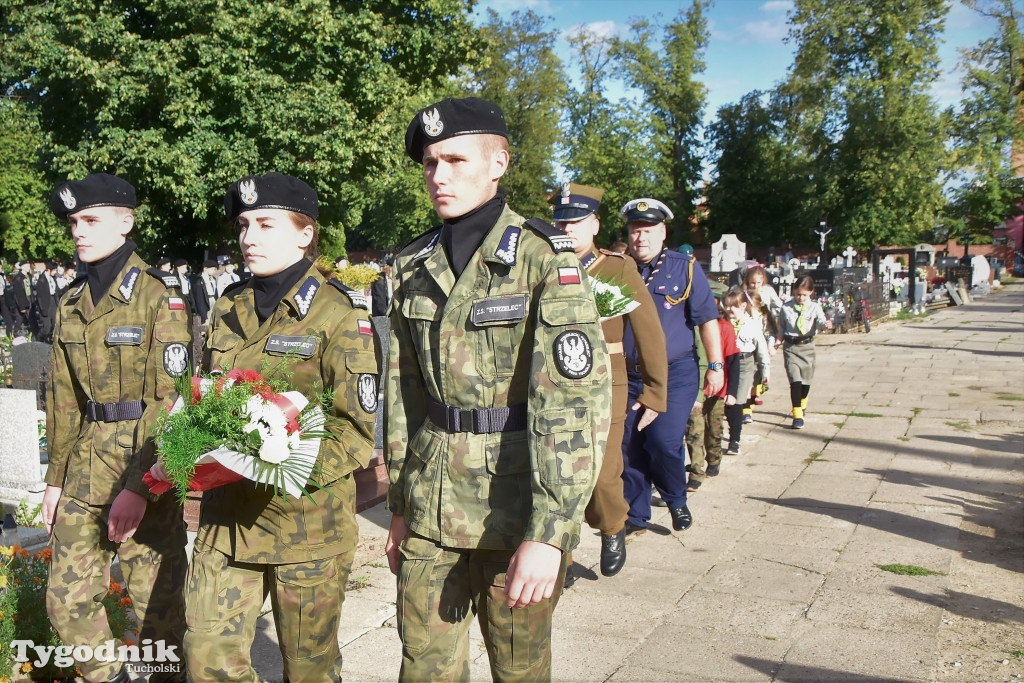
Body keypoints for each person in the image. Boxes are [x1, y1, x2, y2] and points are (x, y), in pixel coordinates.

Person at [385, 97, 612, 681]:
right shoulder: (412, 264)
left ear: (498, 163)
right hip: (431, 501)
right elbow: (404, 394)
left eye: (456, 160)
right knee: (423, 667)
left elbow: (572, 405)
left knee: (519, 668)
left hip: (513, 508)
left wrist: (551, 533)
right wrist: (399, 508)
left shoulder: (543, 260)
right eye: (431, 163)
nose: (439, 176)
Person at [157, 172, 379, 682]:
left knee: (310, 671)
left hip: (304, 528)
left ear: (305, 233)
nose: (249, 237)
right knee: (207, 656)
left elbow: (354, 431)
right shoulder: (228, 306)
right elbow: (209, 395)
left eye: (265, 223)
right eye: (243, 224)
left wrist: (272, 462)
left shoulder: (339, 313)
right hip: (225, 526)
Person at [42, 172, 191, 683]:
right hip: (85, 463)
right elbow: (63, 400)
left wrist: (140, 486)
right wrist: (54, 480)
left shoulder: (158, 298)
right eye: (74, 223)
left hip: (143, 460)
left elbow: (170, 399)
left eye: (90, 219)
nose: (78, 231)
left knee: (158, 613)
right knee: (65, 602)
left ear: (125, 223)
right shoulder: (70, 302)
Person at [549, 182, 667, 579]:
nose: (568, 229)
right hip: (554, 385)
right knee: (557, 472)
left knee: (602, 472)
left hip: (606, 384)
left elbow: (648, 330)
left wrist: (654, 390)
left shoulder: (616, 268)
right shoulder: (545, 266)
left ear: (595, 225)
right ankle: (559, 554)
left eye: (577, 222)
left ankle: (613, 525)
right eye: (562, 221)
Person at [620, 198, 723, 534]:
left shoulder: (686, 268)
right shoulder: (618, 269)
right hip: (630, 375)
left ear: (662, 232)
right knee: (630, 444)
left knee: (663, 441)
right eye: (635, 231)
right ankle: (636, 513)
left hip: (675, 373)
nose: (641, 238)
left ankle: (676, 498)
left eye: (648, 231)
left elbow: (707, 320)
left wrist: (716, 364)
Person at [685, 283, 736, 490]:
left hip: (716, 385)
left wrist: (731, 390)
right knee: (694, 430)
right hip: (694, 384)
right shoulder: (688, 325)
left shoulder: (723, 327)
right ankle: (697, 471)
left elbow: (732, 361)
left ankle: (714, 458)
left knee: (713, 428)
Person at [777, 275, 833, 429]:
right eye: (798, 294)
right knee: (795, 381)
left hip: (807, 347)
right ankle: (797, 415)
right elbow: (781, 328)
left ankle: (803, 403)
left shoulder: (814, 307)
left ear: (811, 293)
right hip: (791, 347)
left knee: (806, 382)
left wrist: (825, 325)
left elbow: (821, 321)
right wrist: (775, 343)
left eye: (804, 295)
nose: (801, 298)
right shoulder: (786, 307)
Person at [720, 286, 768, 454]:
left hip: (744, 363)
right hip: (725, 362)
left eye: (732, 306)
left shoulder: (752, 325)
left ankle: (734, 441)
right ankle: (729, 430)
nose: (728, 309)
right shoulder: (723, 323)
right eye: (726, 305)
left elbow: (761, 349)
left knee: (737, 401)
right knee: (726, 402)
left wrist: (765, 372)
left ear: (742, 306)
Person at [34, 260, 60, 342]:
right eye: (55, 270)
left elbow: (56, 291)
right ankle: (39, 338)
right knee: (46, 327)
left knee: (55, 323)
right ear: (49, 270)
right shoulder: (41, 280)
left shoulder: (53, 278)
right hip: (45, 303)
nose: (55, 272)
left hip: (53, 301)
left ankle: (51, 340)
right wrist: (43, 309)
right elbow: (40, 297)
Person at [194, 258, 218, 324]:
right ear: (205, 268)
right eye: (212, 269)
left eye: (215, 269)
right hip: (205, 300)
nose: (214, 271)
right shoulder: (200, 280)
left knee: (213, 317)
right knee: (206, 319)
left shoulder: (213, 279)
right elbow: (199, 297)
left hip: (213, 298)